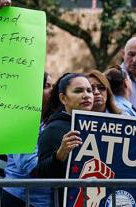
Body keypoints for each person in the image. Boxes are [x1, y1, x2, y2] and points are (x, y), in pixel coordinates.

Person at [37, 73, 94, 205]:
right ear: (63, 98)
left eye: (89, 90)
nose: (86, 95)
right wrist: (59, 156)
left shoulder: (102, 126)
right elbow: (41, 173)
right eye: (78, 91)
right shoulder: (53, 129)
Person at [1, 72, 53, 207]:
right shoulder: (21, 121)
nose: (52, 91)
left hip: (43, 201)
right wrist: (58, 162)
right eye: (47, 86)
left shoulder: (49, 121)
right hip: (20, 198)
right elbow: (28, 165)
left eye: (53, 86)